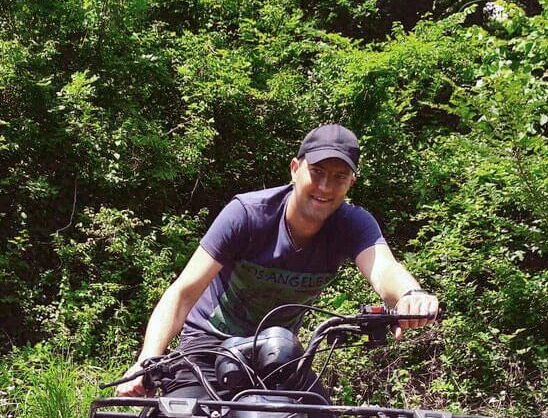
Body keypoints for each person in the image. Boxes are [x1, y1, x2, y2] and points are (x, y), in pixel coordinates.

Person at [116, 124, 440, 398]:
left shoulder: (352, 223)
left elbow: (383, 268)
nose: (325, 187)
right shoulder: (248, 214)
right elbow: (183, 292)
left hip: (278, 354)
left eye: (339, 177)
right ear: (295, 169)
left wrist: (411, 295)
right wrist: (147, 361)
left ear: (351, 183)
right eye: (317, 172)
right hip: (208, 347)